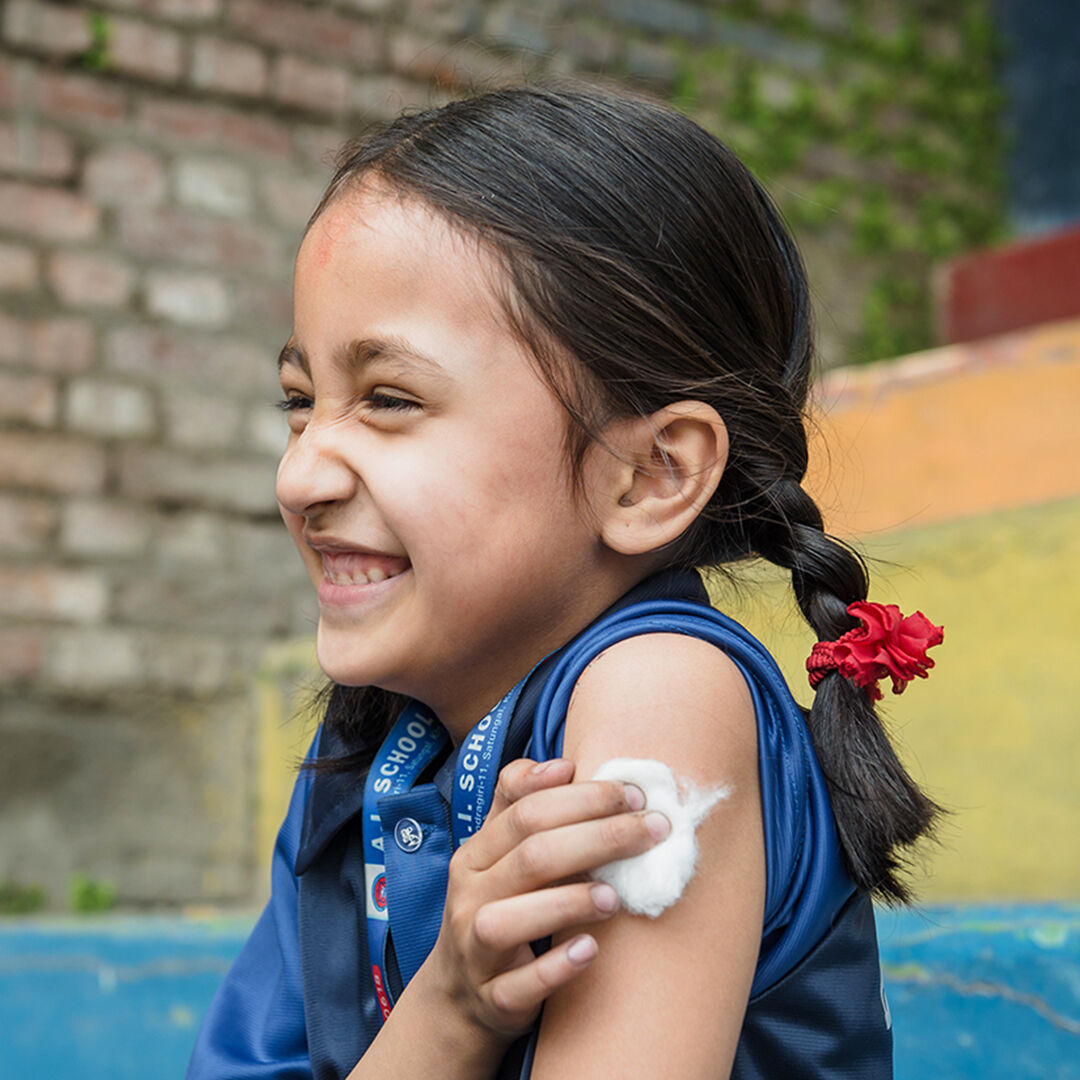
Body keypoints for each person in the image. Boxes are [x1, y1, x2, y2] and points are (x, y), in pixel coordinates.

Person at [187, 84, 943, 1080]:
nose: (301, 477)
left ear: (650, 475)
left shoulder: (658, 697)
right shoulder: (367, 750)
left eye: (391, 398)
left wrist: (451, 1014)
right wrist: (449, 1009)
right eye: (300, 400)